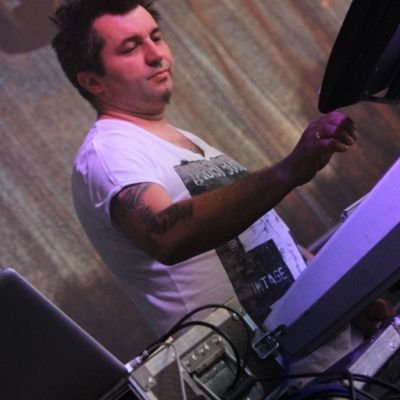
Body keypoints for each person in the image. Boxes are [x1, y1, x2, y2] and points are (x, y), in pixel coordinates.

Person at [51, 0, 392, 372]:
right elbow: (167, 235)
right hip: (280, 380)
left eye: (156, 37)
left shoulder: (184, 140)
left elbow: (267, 238)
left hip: (338, 354)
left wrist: (342, 292)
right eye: (131, 47)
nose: (156, 54)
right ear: (92, 80)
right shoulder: (108, 152)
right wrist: (288, 170)